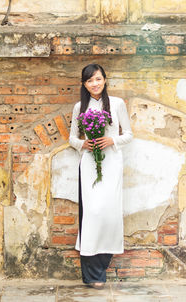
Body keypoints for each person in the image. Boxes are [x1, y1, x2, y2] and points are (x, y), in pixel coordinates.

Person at [69, 64, 133, 289]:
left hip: (112, 163)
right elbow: (72, 139)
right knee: (93, 213)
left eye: (98, 79)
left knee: (110, 214)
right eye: (89, 80)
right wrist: (83, 143)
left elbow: (129, 134)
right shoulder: (80, 106)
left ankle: (102, 266)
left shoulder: (117, 104)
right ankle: (92, 273)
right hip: (89, 163)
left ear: (104, 79)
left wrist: (111, 140)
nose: (94, 84)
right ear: (84, 84)